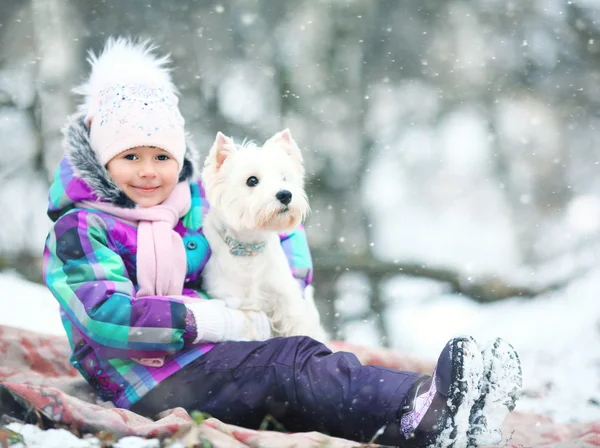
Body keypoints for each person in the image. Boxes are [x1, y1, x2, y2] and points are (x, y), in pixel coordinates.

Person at [43, 37, 522, 447]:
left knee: (305, 369)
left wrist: (285, 282)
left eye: (161, 156)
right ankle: (424, 409)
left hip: (205, 359)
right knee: (289, 363)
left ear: (178, 159)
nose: (148, 171)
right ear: (103, 162)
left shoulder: (191, 206)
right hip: (147, 380)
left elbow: (273, 224)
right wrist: (221, 320)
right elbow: (106, 318)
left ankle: (455, 416)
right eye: (130, 156)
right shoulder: (81, 227)